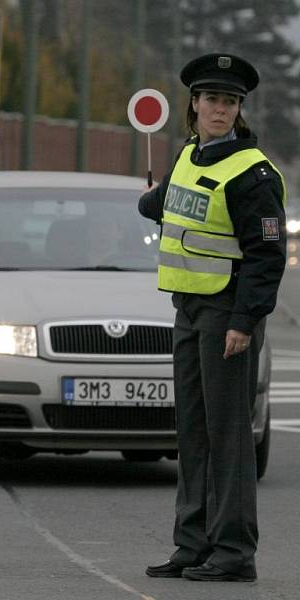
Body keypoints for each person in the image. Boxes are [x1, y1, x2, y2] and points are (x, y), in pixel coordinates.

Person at [139, 54, 286, 582]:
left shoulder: (253, 173)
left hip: (228, 313)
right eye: (211, 100)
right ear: (194, 106)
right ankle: (192, 543)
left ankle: (233, 552)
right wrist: (150, 201)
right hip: (188, 308)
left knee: (228, 436)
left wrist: (244, 323)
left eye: (229, 102)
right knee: (193, 432)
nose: (219, 109)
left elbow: (267, 258)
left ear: (238, 110)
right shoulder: (187, 154)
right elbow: (174, 206)